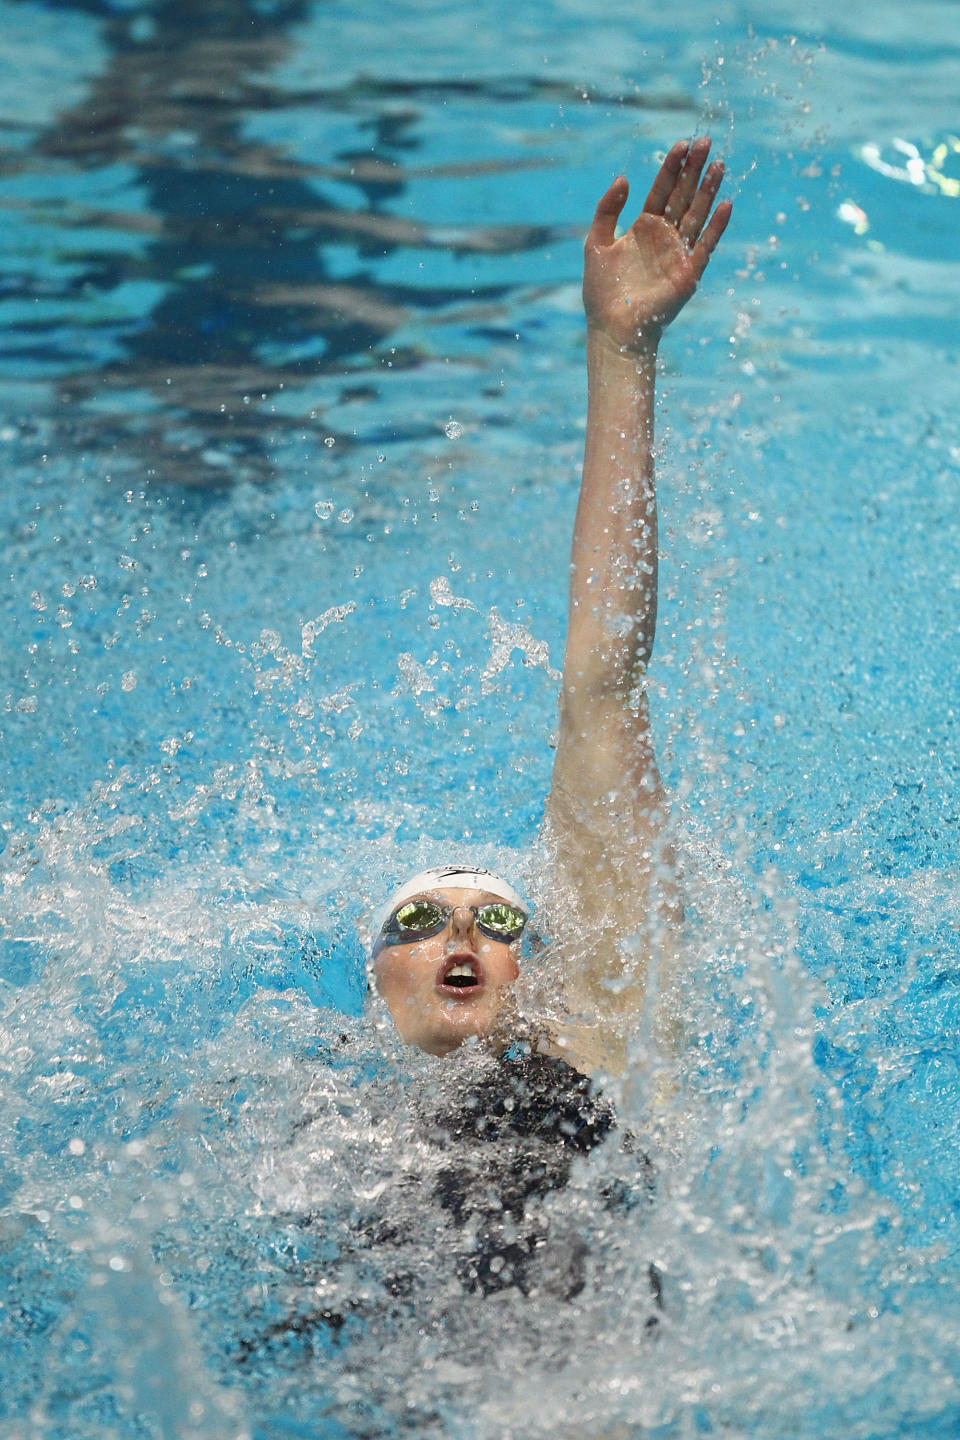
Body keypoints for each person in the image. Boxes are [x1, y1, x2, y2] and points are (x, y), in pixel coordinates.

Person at [370, 138, 732, 1083]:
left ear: (536, 974)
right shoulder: (303, 1122)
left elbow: (601, 683)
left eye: (501, 920)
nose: (465, 931)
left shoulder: (592, 1038)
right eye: (420, 920)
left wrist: (621, 352)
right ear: (375, 983)